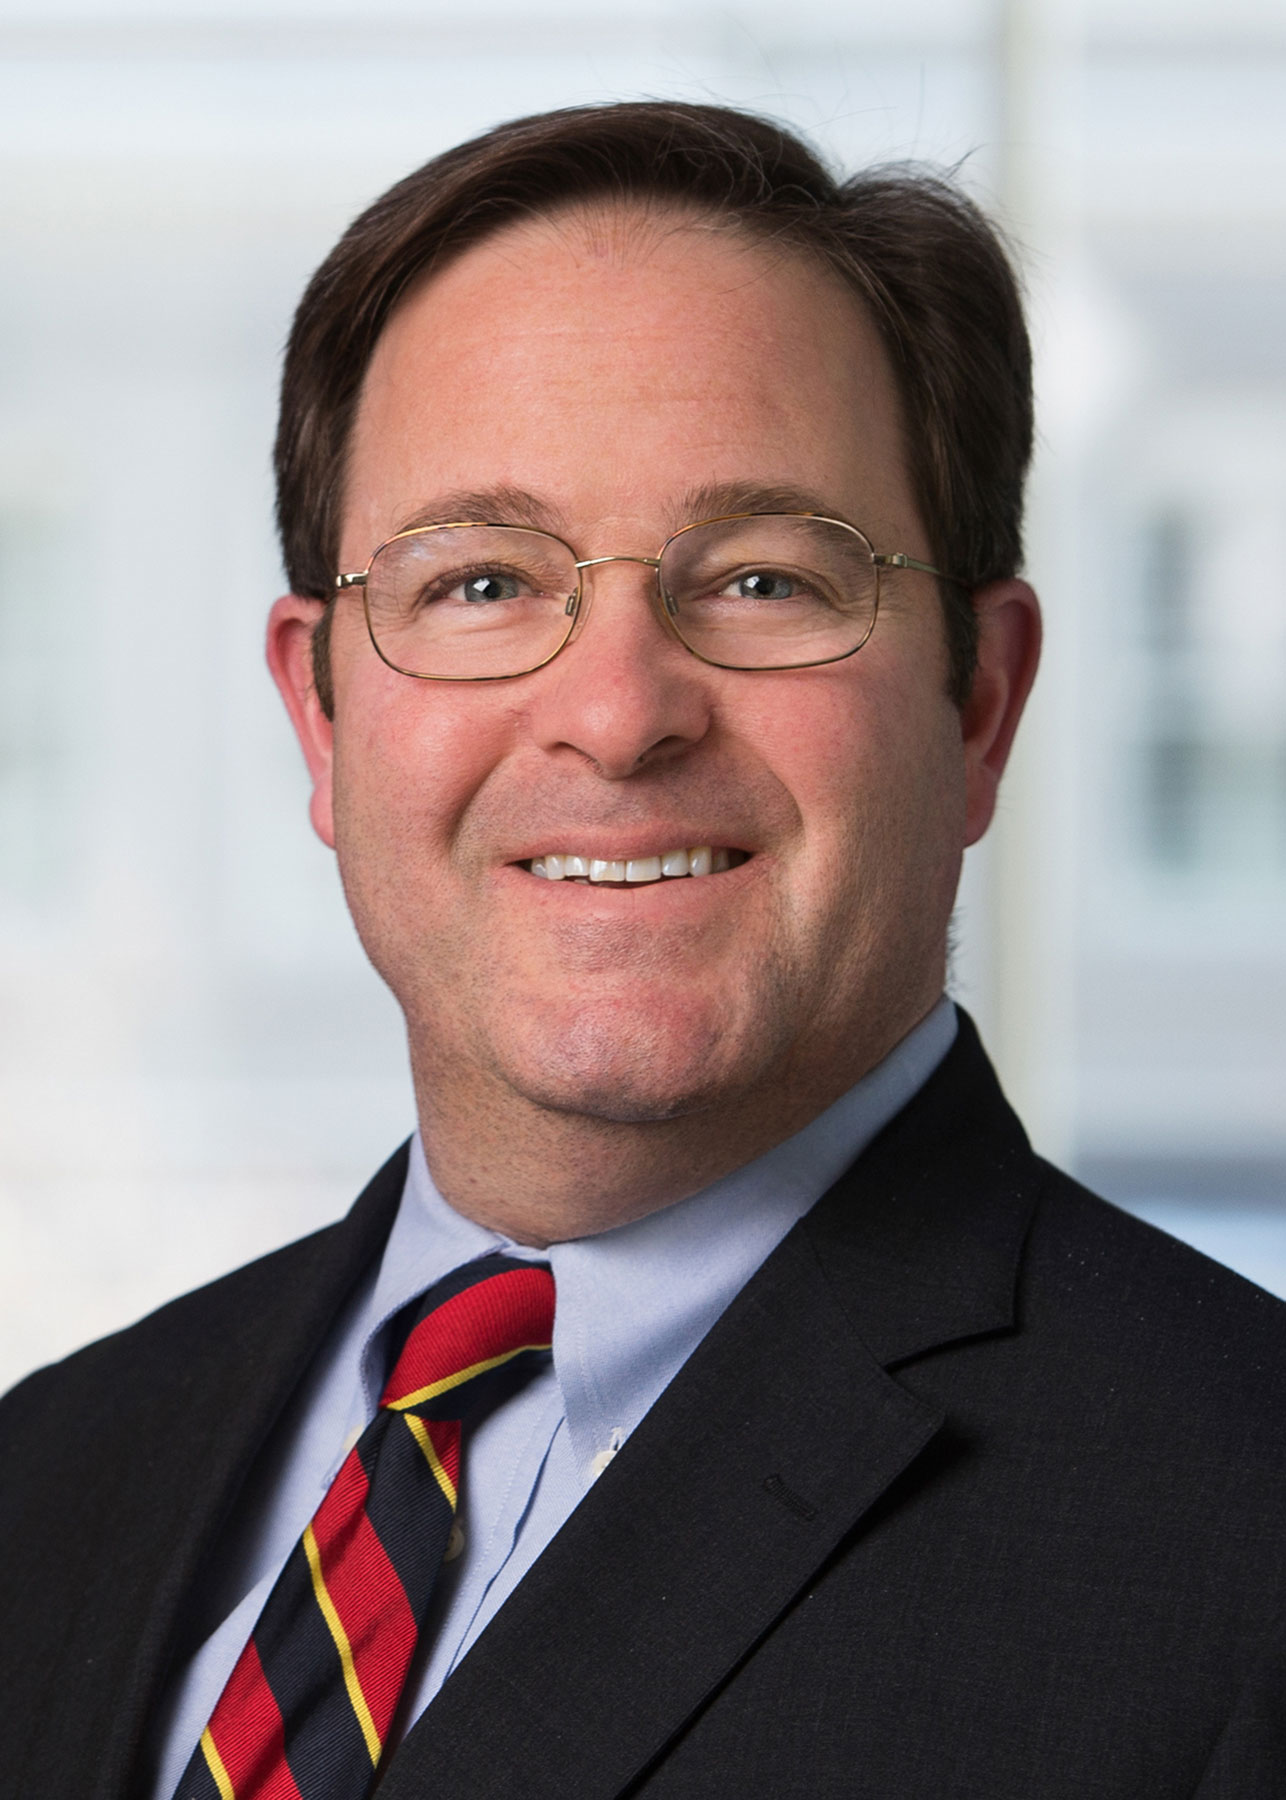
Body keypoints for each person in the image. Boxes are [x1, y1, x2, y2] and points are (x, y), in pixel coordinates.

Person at [2, 100, 1284, 1800]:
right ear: (319, 716)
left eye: (761, 581)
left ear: (977, 702)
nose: (614, 715)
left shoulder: (1239, 1544)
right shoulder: (48, 1476)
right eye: (478, 584)